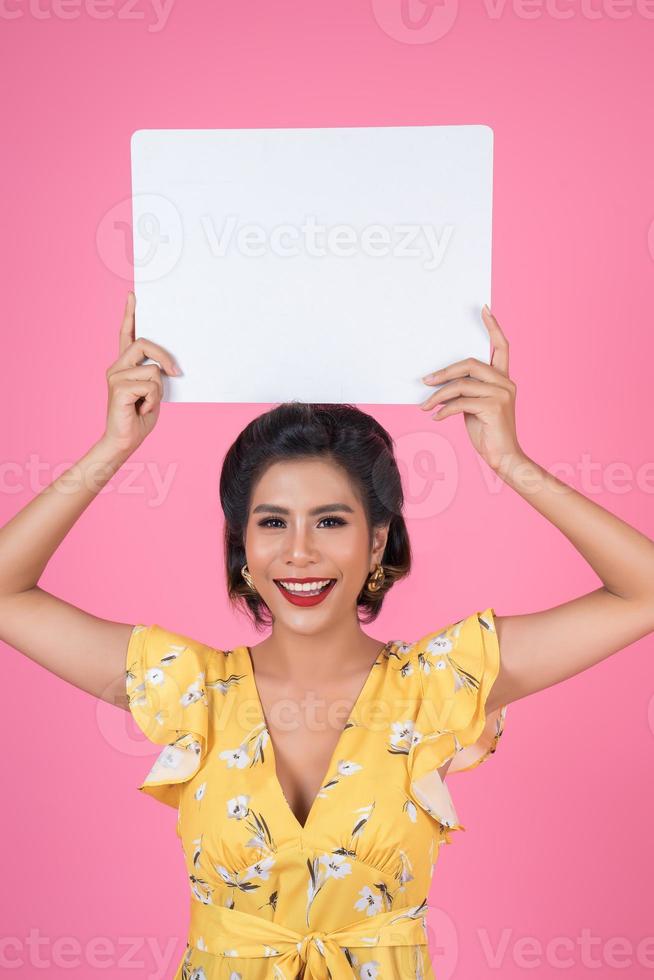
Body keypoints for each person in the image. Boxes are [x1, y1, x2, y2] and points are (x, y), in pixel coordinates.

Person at [1, 293, 653, 980]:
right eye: (274, 523)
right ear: (244, 545)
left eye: (332, 522)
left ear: (377, 543)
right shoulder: (192, 688)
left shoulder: (440, 682)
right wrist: (114, 446)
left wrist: (509, 460)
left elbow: (643, 592)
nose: (300, 552)